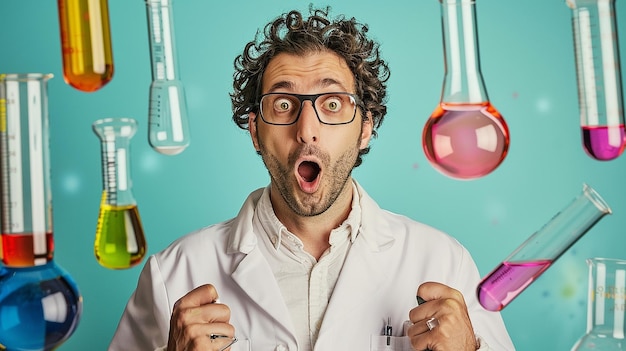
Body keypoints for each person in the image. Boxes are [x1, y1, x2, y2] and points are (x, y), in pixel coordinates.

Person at [109, 6, 515, 351]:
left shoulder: (444, 263)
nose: (307, 129)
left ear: (365, 128)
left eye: (333, 103)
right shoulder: (174, 275)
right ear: (254, 129)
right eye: (283, 104)